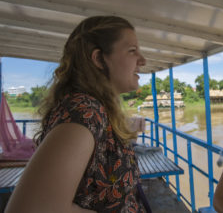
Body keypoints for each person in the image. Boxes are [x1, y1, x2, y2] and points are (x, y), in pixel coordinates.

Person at [5, 16, 148, 213]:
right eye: (132, 51)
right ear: (98, 59)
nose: (143, 60)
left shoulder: (97, 110)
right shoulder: (84, 112)